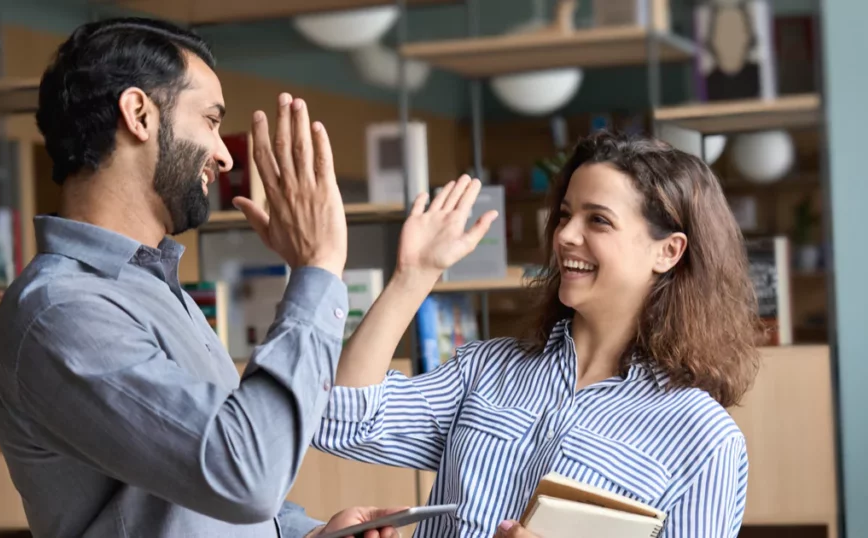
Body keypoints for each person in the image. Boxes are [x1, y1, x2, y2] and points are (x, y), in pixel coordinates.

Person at [0, 17, 472, 538]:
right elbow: (245, 474)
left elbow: (202, 482)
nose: (224, 153)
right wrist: (317, 268)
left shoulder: (155, 291)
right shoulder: (62, 311)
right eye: (210, 120)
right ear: (139, 114)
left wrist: (306, 532)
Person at [313, 131, 763, 537]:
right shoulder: (485, 369)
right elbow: (340, 420)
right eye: (565, 215)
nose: (565, 235)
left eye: (598, 220)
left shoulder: (704, 440)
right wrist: (413, 276)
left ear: (668, 251)